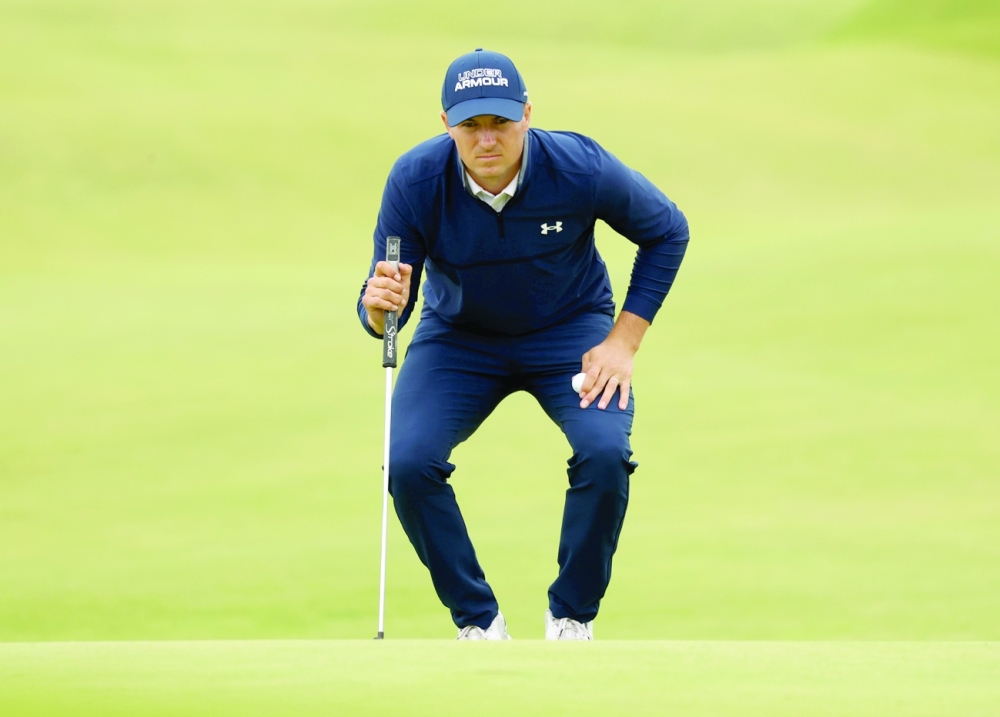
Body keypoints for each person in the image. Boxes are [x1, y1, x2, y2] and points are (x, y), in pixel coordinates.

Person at [358, 49, 689, 640]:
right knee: (407, 462)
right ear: (446, 123)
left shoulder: (580, 167)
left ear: (528, 115)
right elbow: (389, 302)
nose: (487, 140)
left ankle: (571, 618)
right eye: (471, 125)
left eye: (501, 122)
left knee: (603, 451)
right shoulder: (414, 180)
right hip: (458, 338)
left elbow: (668, 230)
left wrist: (623, 342)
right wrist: (377, 307)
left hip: (570, 329)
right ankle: (479, 623)